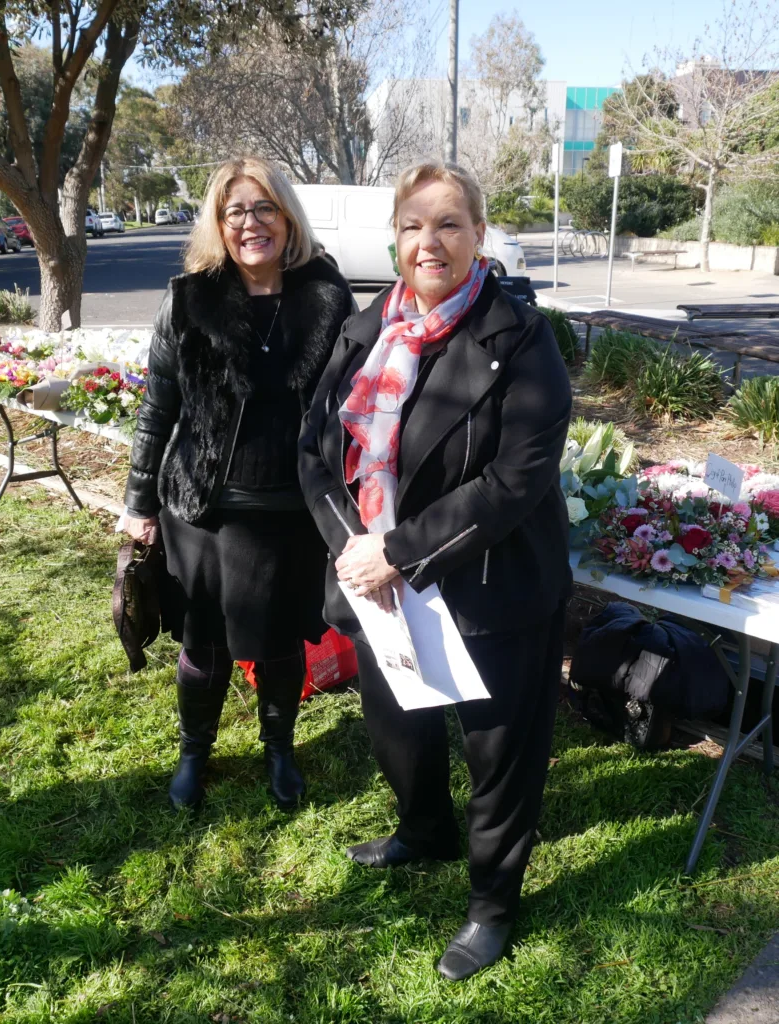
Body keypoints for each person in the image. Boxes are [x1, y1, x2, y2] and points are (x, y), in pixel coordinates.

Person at [298, 161, 572, 981]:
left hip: (491, 589)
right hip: (379, 581)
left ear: (479, 236)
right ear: (395, 235)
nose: (430, 242)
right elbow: (316, 449)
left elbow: (516, 479)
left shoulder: (519, 336)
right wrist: (360, 548)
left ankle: (492, 906)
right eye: (414, 225)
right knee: (398, 724)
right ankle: (423, 829)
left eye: (449, 223)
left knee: (499, 754)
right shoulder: (367, 325)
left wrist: (399, 550)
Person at [122, 156, 354, 811]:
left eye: (264, 209)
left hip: (291, 510)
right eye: (236, 212)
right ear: (218, 225)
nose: (252, 223)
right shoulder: (188, 300)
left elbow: (354, 406)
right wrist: (137, 504)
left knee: (279, 641)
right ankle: (195, 753)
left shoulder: (328, 297)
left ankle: (279, 752)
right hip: (201, 510)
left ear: (286, 217)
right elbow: (157, 408)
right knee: (202, 641)